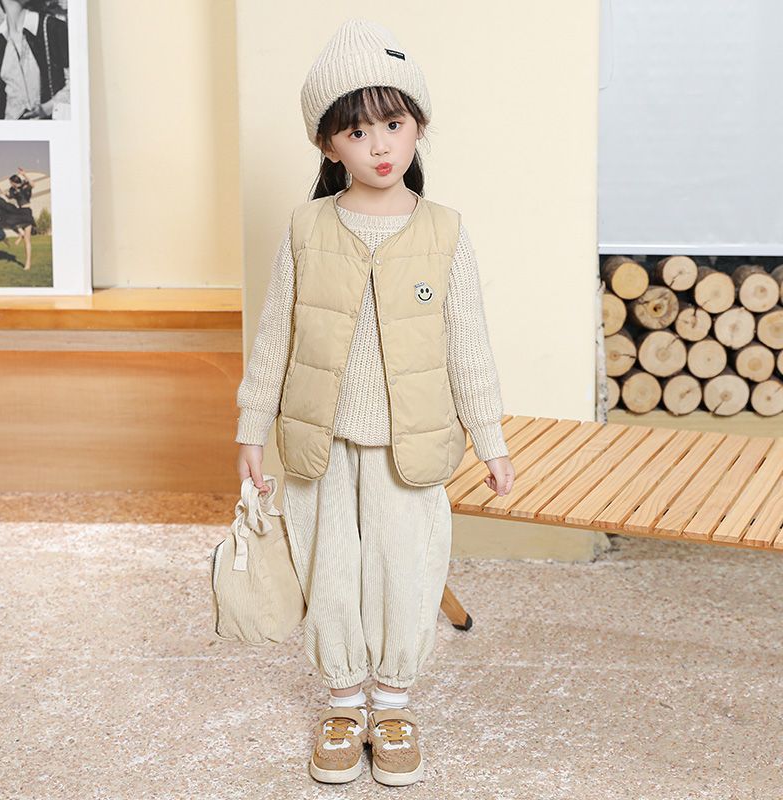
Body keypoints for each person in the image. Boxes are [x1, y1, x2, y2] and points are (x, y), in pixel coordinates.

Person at [234, 18, 515, 787]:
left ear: (418, 125)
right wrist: (251, 426)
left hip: (410, 443)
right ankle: (341, 701)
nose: (380, 146)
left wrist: (490, 438)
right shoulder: (307, 228)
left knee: (405, 569)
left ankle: (391, 703)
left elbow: (469, 344)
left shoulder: (445, 232)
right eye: (357, 132)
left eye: (393, 124)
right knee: (329, 568)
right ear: (329, 146)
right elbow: (276, 334)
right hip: (319, 438)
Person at [0, 0, 69, 121]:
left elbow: (80, 82)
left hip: (49, 127)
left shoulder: (53, 27)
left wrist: (48, 107)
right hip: (12, 129)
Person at [0, 173, 34, 268]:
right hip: (20, 212)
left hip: (27, 212)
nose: (10, 184)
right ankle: (20, 233)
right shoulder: (13, 190)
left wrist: (24, 174)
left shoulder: (24, 187)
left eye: (10, 182)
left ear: (14, 182)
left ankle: (28, 263)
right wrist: (0, 190)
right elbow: (8, 196)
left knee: (27, 240)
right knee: (8, 219)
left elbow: (32, 184)